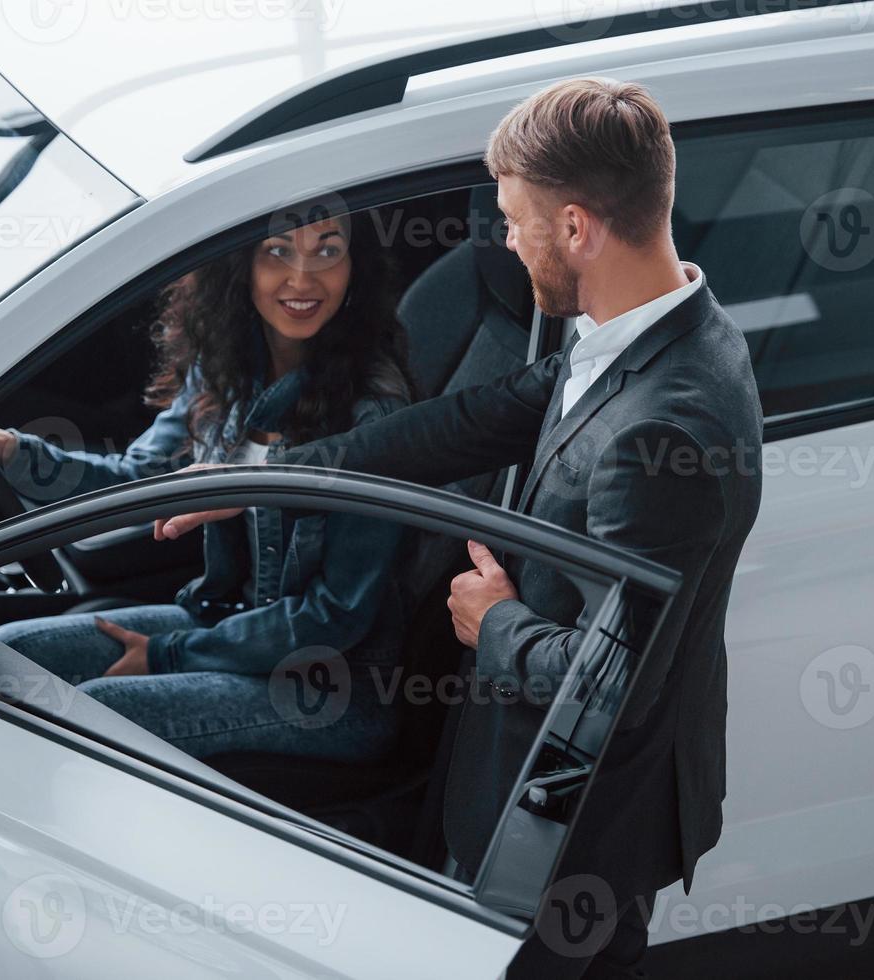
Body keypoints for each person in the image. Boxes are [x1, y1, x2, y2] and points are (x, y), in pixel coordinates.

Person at [155, 79, 765, 977]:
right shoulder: (647, 330)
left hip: (572, 829)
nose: (505, 240)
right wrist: (265, 481)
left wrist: (493, 622)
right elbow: (464, 423)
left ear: (575, 228)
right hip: (516, 774)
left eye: (516, 220)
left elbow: (615, 686)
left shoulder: (662, 428)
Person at [0, 205, 416, 762]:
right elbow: (142, 480)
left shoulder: (373, 409)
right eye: (277, 252)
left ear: (356, 268)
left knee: (96, 710)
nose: (303, 278)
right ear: (241, 267)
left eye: (328, 250)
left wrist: (170, 654)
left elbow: (336, 616)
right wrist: (8, 450)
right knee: (11, 656)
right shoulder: (227, 366)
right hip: (232, 623)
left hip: (328, 682)